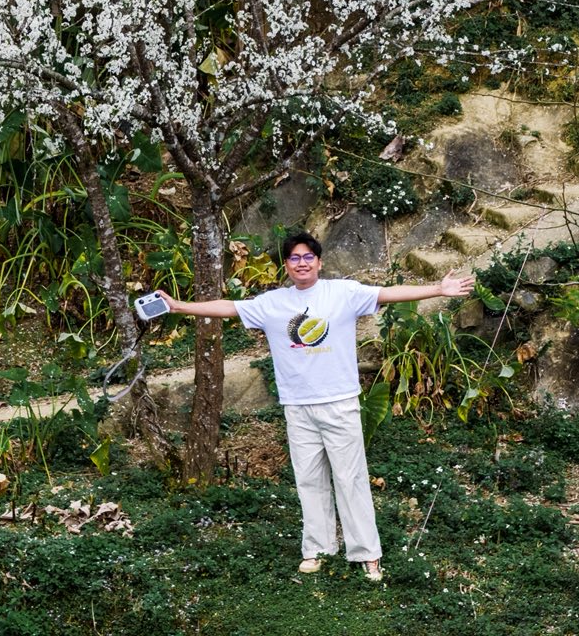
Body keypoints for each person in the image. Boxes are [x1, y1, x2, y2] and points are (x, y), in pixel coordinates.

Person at [155, 230, 471, 582]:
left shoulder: (343, 293)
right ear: (286, 266)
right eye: (294, 258)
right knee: (309, 480)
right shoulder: (272, 303)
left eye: (308, 257)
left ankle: (367, 553)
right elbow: (229, 308)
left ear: (319, 262)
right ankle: (318, 549)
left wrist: (438, 289)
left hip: (339, 403)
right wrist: (179, 306)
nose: (302, 263)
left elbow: (388, 293)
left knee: (350, 478)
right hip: (297, 407)